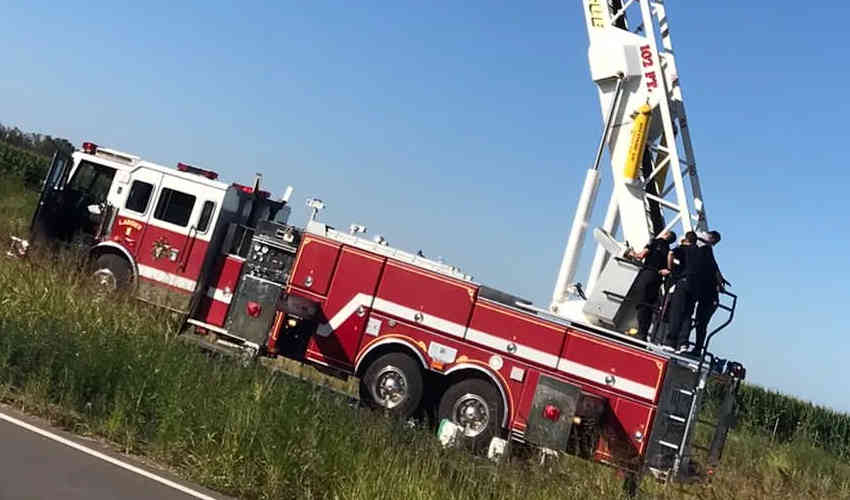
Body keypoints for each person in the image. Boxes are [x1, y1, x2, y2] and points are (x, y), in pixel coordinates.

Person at [627, 230, 676, 341]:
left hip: (648, 273)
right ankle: (643, 333)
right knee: (649, 305)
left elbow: (641, 256)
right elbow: (669, 262)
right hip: (657, 278)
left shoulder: (654, 242)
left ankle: (640, 333)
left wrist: (630, 253)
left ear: (666, 235)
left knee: (642, 302)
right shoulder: (668, 249)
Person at [690, 230, 728, 356]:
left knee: (701, 323)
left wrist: (719, 282)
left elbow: (714, 267)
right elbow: (714, 267)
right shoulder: (705, 251)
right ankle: (696, 348)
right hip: (707, 298)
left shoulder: (705, 251)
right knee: (699, 322)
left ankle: (697, 348)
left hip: (709, 299)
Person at [665, 231, 701, 351]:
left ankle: (670, 341)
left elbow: (670, 254)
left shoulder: (683, 248)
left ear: (686, 239)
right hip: (695, 286)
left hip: (683, 282)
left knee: (676, 312)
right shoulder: (700, 252)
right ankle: (683, 343)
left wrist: (670, 269)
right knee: (688, 314)